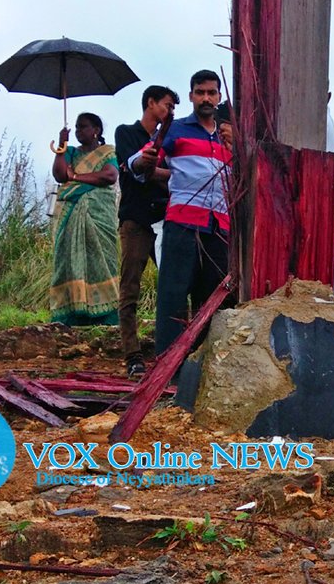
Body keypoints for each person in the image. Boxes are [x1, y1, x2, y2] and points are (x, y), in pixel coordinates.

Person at [131, 69, 232, 356]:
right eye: (200, 92)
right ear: (191, 97)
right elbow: (144, 157)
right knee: (173, 297)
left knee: (213, 301)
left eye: (211, 92)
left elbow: (248, 177)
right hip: (183, 225)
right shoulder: (176, 129)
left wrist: (237, 145)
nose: (206, 98)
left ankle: (204, 365)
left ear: (219, 97)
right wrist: (142, 162)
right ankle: (169, 369)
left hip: (219, 229)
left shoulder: (229, 137)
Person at [115, 85, 179, 375]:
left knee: (175, 284)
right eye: (166, 105)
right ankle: (132, 356)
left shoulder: (173, 138)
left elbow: (165, 174)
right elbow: (135, 169)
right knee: (130, 288)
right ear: (150, 103)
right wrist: (156, 172)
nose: (170, 111)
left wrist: (157, 173)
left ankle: (174, 351)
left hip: (165, 219)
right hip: (136, 220)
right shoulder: (126, 132)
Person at [48, 112, 120, 326]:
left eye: (83, 127)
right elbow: (60, 175)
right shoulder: (70, 152)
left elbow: (109, 175)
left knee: (103, 259)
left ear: (96, 130)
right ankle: (72, 314)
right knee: (68, 260)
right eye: (77, 128)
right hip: (70, 214)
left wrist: (76, 177)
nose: (79, 131)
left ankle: (106, 315)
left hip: (99, 214)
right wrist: (61, 146)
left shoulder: (107, 152)